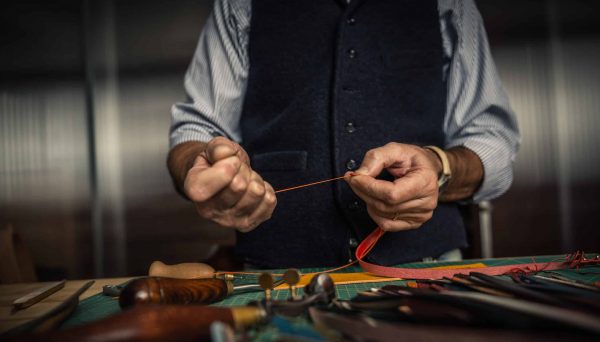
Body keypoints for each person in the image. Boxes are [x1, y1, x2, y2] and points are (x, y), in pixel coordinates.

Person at [167, 0, 520, 269]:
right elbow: (197, 129)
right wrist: (197, 166)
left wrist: (441, 166)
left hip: (428, 271)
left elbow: (492, 138)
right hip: (275, 278)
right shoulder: (239, 4)